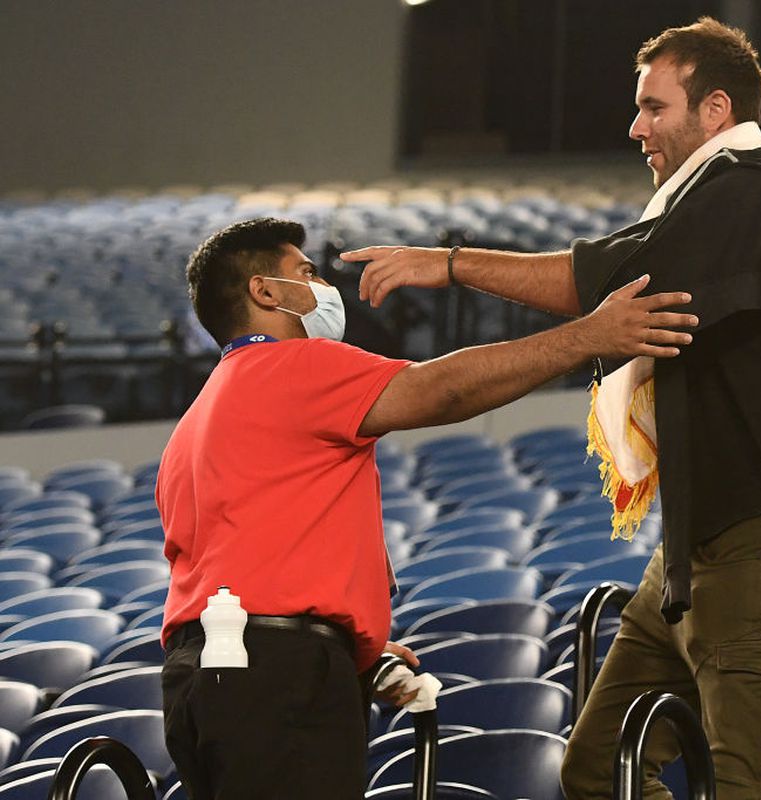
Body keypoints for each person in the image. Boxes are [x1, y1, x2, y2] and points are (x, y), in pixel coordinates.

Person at [345, 18, 761, 798]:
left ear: (715, 109)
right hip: (693, 549)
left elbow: (605, 279)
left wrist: (451, 262)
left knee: (752, 788)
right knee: (597, 770)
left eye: (654, 107)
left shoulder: (754, 190)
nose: (636, 128)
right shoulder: (713, 203)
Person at [157, 217, 697, 800]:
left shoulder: (193, 424)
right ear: (265, 292)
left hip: (199, 679)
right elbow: (443, 389)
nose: (324, 287)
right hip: (275, 678)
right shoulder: (292, 366)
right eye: (306, 273)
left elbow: (247, 561)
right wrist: (589, 336)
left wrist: (350, 649)